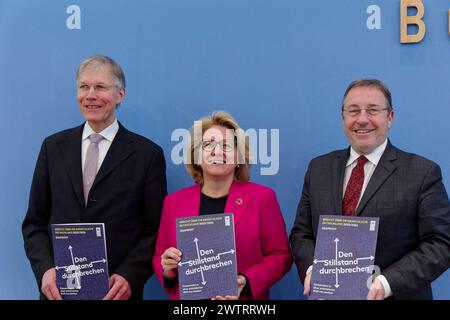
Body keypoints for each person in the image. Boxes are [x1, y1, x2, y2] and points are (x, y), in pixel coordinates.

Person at [22, 55, 167, 300]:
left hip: (116, 293)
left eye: (100, 87)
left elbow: (155, 230)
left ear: (120, 95)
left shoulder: (147, 155)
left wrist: (129, 276)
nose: (90, 95)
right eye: (83, 87)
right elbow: (34, 223)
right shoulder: (53, 147)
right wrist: (45, 270)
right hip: (60, 292)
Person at [290, 79, 450, 300]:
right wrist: (311, 270)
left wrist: (387, 283)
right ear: (343, 117)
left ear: (390, 117)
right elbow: (302, 233)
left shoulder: (422, 172)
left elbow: (441, 243)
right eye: (353, 111)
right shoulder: (318, 168)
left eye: (373, 110)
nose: (362, 119)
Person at [152, 111, 292, 300]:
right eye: (208, 144)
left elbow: (280, 255)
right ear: (197, 156)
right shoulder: (173, 202)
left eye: (226, 145)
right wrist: (167, 271)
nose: (217, 152)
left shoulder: (262, 198)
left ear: (238, 157)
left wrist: (246, 280)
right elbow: (160, 255)